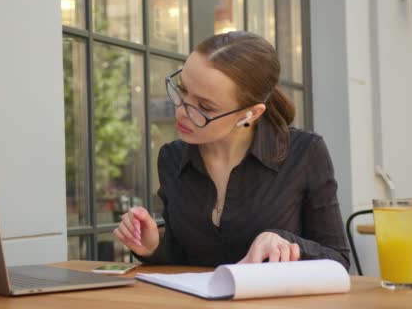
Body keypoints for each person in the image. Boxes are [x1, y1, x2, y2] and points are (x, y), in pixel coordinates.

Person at [113, 31, 350, 269]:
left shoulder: (305, 152)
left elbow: (338, 260)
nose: (182, 111)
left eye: (205, 106)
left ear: (251, 113)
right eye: (182, 90)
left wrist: (286, 243)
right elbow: (186, 257)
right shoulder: (171, 157)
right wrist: (154, 247)